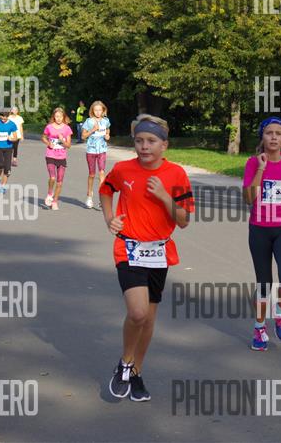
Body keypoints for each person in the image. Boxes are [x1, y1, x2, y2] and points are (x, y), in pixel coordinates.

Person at [99, 114, 194, 402]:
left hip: (158, 252)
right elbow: (106, 190)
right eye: (139, 140)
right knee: (138, 313)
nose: (144, 146)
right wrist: (110, 218)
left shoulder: (176, 174)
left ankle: (136, 372)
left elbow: (184, 220)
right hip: (128, 248)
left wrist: (165, 196)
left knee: (149, 319)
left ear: (164, 145)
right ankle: (125, 363)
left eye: (151, 141)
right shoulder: (123, 169)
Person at [242, 117, 281, 351]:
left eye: (278, 133)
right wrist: (261, 168)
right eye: (269, 133)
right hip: (259, 230)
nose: (274, 137)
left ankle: (280, 311)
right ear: (263, 137)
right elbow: (249, 198)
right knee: (264, 284)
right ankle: (259, 328)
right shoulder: (252, 163)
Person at [41, 108, 73, 210]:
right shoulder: (49, 127)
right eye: (57, 116)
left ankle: (55, 201)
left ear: (64, 117)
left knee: (59, 182)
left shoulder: (67, 128)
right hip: (50, 155)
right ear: (54, 117)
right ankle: (50, 194)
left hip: (62, 157)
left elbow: (68, 145)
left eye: (60, 116)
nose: (59, 118)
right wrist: (48, 143)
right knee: (52, 178)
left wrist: (62, 140)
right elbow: (43, 137)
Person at [81, 101, 111, 209]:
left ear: (103, 111)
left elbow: (107, 131)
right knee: (92, 174)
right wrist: (93, 130)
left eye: (100, 110)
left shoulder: (106, 121)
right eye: (95, 110)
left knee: (102, 172)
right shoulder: (89, 121)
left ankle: (101, 197)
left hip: (102, 150)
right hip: (91, 151)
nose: (98, 112)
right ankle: (89, 195)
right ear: (92, 111)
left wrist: (107, 136)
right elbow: (83, 136)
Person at [0, 111, 19, 194]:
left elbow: (16, 137)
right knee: (0, 165)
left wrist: (11, 139)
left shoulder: (12, 124)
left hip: (8, 147)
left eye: (5, 117)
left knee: (7, 169)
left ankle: (2, 186)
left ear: (8, 116)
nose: (3, 119)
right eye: (2, 117)